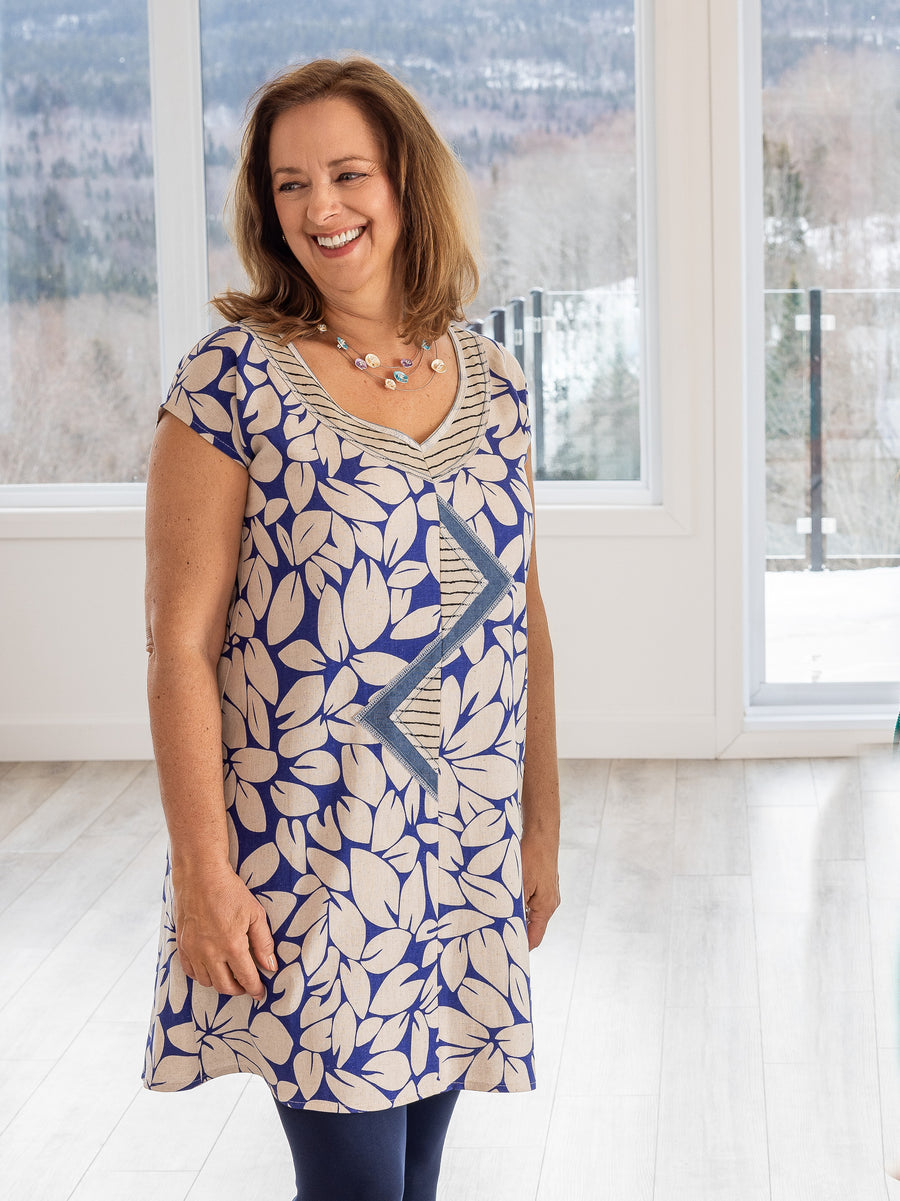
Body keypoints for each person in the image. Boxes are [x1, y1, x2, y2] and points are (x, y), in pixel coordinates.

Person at [142, 56, 560, 1201]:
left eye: (346, 174)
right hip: (313, 863)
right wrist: (203, 872)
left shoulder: (497, 385)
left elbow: (522, 622)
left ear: (405, 182)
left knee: (412, 1184)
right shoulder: (230, 383)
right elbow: (179, 649)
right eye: (290, 184)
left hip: (459, 858)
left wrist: (540, 828)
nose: (320, 207)